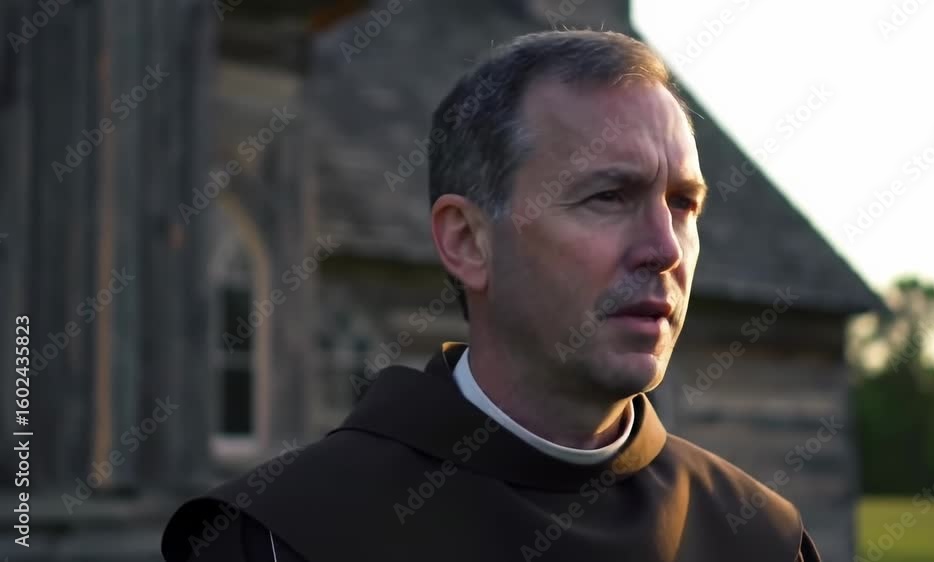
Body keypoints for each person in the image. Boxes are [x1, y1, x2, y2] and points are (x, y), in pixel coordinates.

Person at [161, 29, 823, 561]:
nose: (665, 248)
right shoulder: (281, 538)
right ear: (469, 242)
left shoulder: (759, 538)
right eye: (609, 196)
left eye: (682, 204)